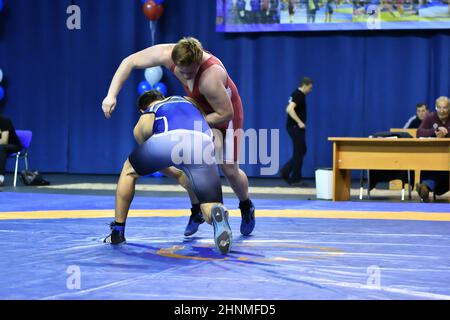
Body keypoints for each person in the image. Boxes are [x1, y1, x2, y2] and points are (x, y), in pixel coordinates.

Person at [101, 37, 255, 238]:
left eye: (190, 72)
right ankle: (197, 210)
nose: (186, 77)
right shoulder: (167, 54)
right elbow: (129, 61)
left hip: (224, 112)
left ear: (198, 62)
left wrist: (195, 125)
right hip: (196, 113)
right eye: (181, 72)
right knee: (190, 164)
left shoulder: (210, 76)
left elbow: (226, 114)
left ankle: (245, 205)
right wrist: (111, 95)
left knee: (228, 168)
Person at [104, 91, 233, 254]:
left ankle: (118, 231)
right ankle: (214, 212)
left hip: (168, 140)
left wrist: (171, 169)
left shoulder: (151, 110)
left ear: (142, 109)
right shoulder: (189, 102)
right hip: (204, 143)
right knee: (208, 201)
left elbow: (149, 148)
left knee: (129, 171)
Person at [416, 96, 450, 202]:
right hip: (434, 155)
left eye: (445, 108)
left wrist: (447, 132)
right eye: (439, 107)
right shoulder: (431, 117)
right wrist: (434, 131)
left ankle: (425, 186)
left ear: (449, 108)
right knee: (432, 166)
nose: (442, 111)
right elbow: (419, 132)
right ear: (435, 108)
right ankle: (424, 188)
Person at [280, 77, 313, 185]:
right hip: (295, 127)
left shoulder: (297, 94)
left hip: (293, 127)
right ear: (305, 85)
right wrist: (299, 122)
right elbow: (289, 109)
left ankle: (287, 172)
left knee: (301, 150)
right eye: (310, 88)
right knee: (299, 151)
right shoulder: (299, 94)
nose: (310, 90)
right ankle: (294, 178)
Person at [0, 115, 21, 187]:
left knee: (1, 148)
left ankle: (0, 178)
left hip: (13, 145)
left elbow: (4, 141)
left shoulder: (4, 121)